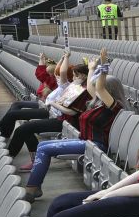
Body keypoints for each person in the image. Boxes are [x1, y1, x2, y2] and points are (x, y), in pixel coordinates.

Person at [24, 49, 124, 200]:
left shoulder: (114, 106)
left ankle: (32, 189)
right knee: (41, 146)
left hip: (96, 144)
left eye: (98, 88)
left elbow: (99, 87)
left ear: (108, 91)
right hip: (85, 141)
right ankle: (34, 186)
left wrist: (103, 66)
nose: (94, 89)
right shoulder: (97, 102)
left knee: (45, 150)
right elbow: (93, 86)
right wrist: (91, 69)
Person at [9, 53, 89, 163]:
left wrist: (53, 103)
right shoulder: (74, 87)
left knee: (23, 129)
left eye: (76, 75)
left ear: (83, 76)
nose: (73, 78)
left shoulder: (82, 90)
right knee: (24, 129)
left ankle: (12, 157)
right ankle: (33, 160)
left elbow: (72, 113)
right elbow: (59, 72)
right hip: (61, 119)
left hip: (68, 123)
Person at [0, 52, 56, 138]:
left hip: (46, 108)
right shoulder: (50, 78)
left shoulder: (55, 81)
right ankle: (3, 128)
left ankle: (4, 131)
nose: (48, 74)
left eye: (50, 73)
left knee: (14, 114)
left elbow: (41, 75)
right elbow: (40, 74)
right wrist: (41, 60)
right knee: (16, 104)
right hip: (41, 103)